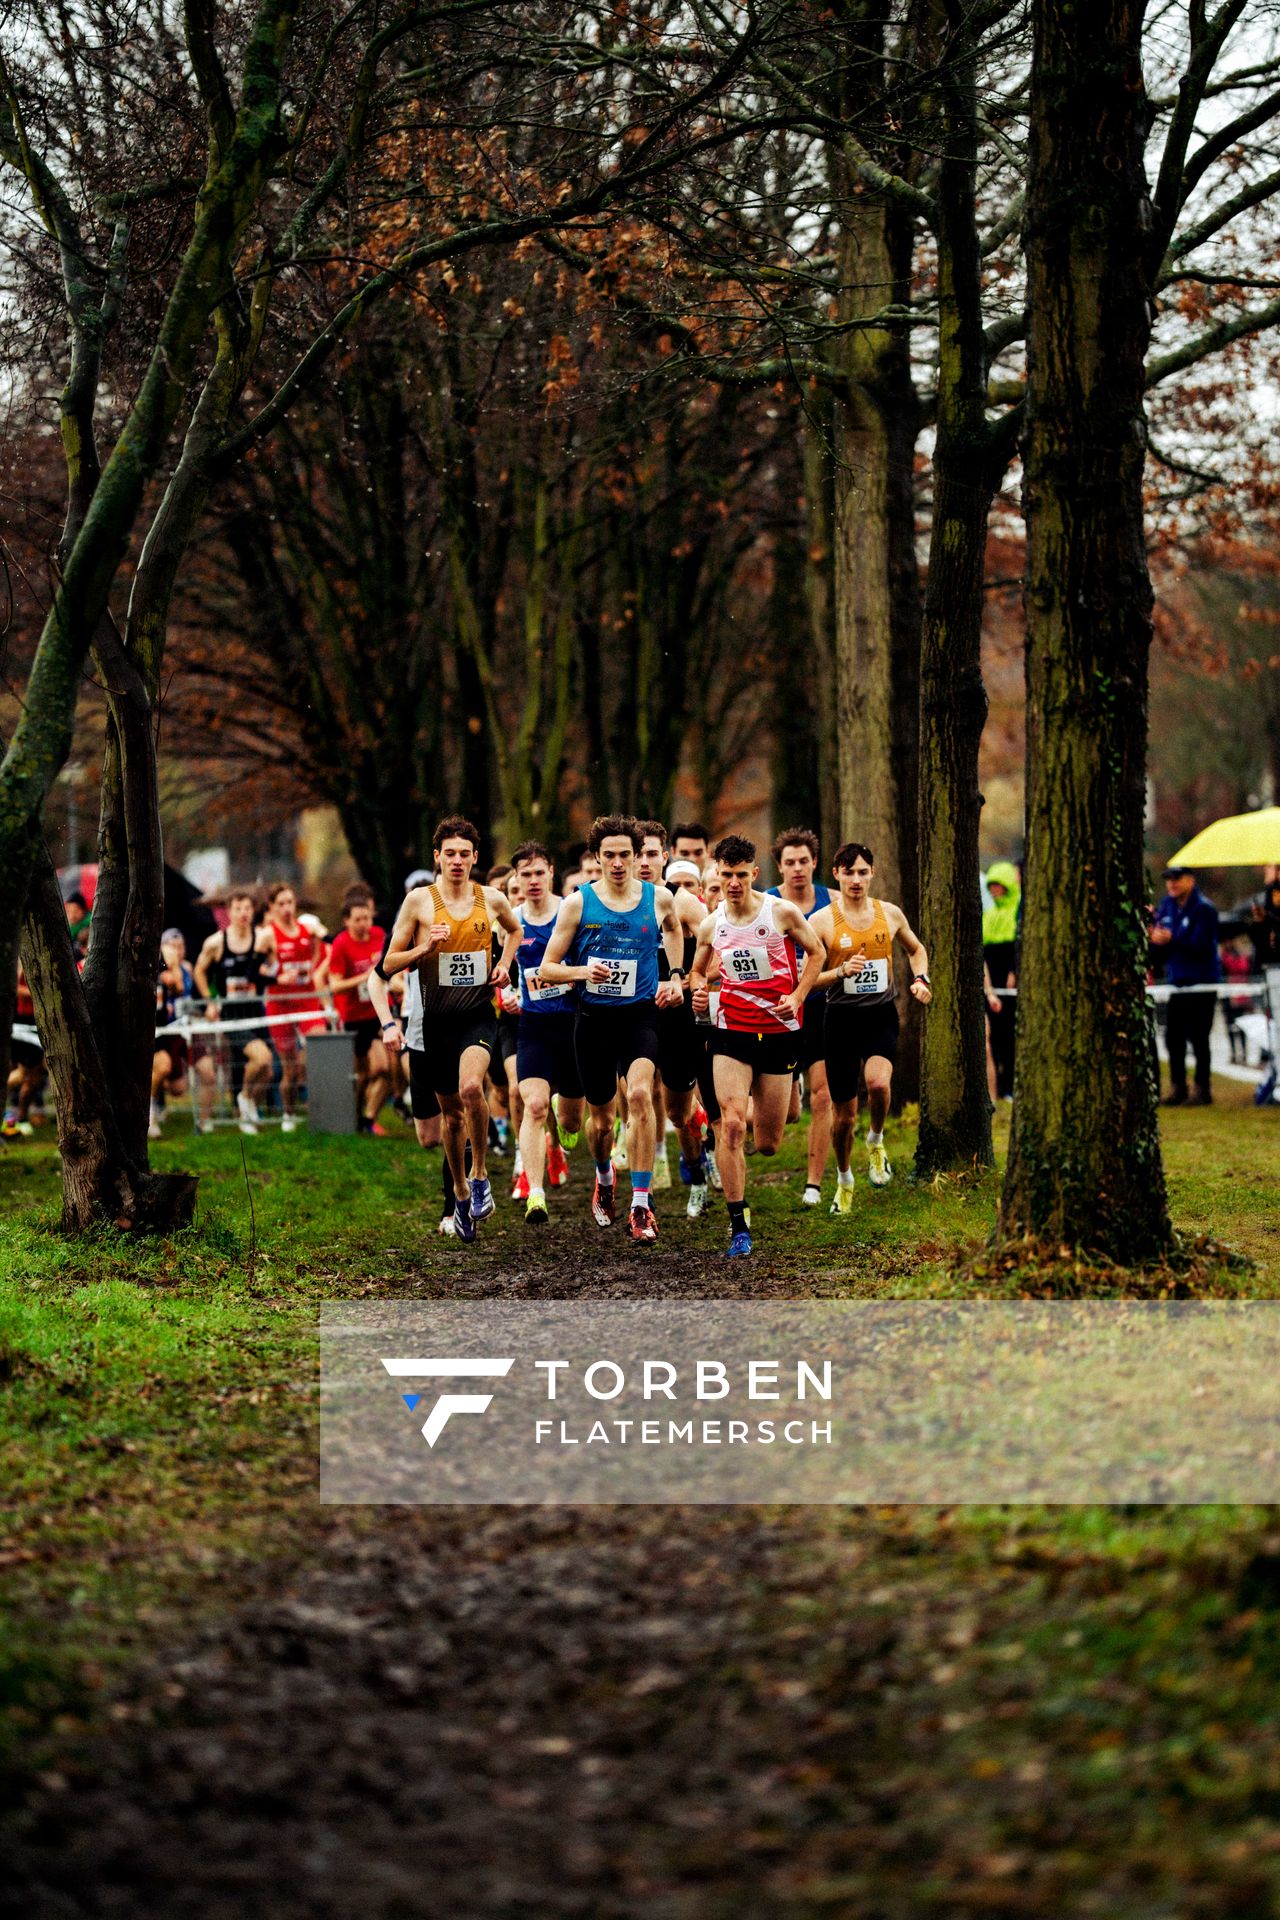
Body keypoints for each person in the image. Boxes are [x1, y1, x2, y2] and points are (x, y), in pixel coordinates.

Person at [538, 814, 687, 1244]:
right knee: (601, 1123)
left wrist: (675, 975)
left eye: (625, 854)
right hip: (593, 1020)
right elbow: (547, 968)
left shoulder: (659, 898)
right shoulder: (578, 903)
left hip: (640, 1015)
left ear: (637, 856)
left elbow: (674, 929)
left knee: (640, 1095)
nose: (618, 863)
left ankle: (641, 1205)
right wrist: (583, 972)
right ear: (597, 857)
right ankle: (604, 1177)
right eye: (610, 855)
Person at [377, 817, 520, 1242]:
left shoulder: (492, 899)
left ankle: (479, 1176)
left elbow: (515, 931)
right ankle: (458, 1191)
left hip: (477, 1015)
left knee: (472, 1088)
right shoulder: (419, 903)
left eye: (464, 854)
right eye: (450, 854)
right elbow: (388, 963)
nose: (457, 861)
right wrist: (425, 947)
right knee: (452, 1117)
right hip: (435, 1024)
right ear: (437, 857)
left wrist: (503, 965)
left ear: (475, 858)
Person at [689, 836, 823, 1257]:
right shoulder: (711, 924)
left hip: (780, 1031)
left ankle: (779, 1093)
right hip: (731, 1030)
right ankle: (738, 1225)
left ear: (754, 873)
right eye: (726, 875)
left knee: (767, 1143)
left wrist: (797, 997)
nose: (733, 883)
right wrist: (698, 991)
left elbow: (817, 953)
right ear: (716, 873)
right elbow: (697, 972)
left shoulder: (780, 912)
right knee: (730, 1125)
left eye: (741, 875)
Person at [810, 842, 932, 1206]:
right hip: (840, 1020)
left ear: (873, 874)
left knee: (878, 1084)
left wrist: (921, 979)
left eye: (863, 872)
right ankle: (844, 1179)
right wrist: (839, 972)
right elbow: (807, 981)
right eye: (849, 872)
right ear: (836, 874)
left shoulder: (889, 914)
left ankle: (876, 1141)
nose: (856, 880)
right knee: (844, 1117)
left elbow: (916, 949)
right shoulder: (821, 922)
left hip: (880, 1015)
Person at [510, 840, 584, 1221]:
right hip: (534, 1025)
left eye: (540, 872)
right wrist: (506, 990)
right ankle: (535, 1193)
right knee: (534, 1105)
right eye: (526, 874)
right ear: (517, 878)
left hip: (572, 1024)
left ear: (552, 873)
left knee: (571, 1122)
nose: (534, 880)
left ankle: (564, 1119)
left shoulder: (571, 911)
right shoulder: (510, 922)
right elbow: (502, 968)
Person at [636, 821, 705, 1195]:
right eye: (638, 854)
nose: (644, 862)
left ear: (665, 856)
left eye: (652, 854)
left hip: (678, 1014)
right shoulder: (616, 903)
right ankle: (641, 1193)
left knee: (678, 1111)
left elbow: (717, 945)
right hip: (635, 1013)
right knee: (639, 1094)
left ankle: (695, 1163)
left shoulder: (684, 902)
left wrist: (688, 980)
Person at [768, 827, 833, 1206]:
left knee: (823, 1097)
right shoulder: (767, 903)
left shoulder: (831, 901)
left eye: (803, 861)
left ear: (814, 863)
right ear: (779, 866)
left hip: (821, 1006)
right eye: (789, 862)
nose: (797, 868)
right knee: (790, 1114)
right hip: (779, 1011)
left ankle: (813, 1184)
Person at [194, 891, 275, 1134]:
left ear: (253, 911)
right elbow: (199, 971)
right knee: (260, 1058)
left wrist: (269, 966)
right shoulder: (216, 942)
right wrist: (210, 1001)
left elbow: (274, 965)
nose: (243, 913)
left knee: (268, 1071)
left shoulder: (261, 937)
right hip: (232, 1014)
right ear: (229, 912)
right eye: (238, 908)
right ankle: (244, 1101)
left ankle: (247, 1103)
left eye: (247, 908)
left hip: (256, 1010)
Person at [315, 883, 390, 1135]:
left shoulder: (380, 936)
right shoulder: (341, 944)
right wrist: (364, 978)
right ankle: (356, 1118)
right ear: (346, 921)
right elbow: (335, 985)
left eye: (367, 918)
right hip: (353, 1017)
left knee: (384, 1068)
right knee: (361, 1074)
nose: (363, 924)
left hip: (378, 1012)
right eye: (358, 919)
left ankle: (369, 1118)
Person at [1151, 864, 1220, 1106]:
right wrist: (1154, 937)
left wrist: (1172, 939)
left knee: (1199, 1037)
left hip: (1202, 982)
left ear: (1190, 880)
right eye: (1169, 879)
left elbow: (1200, 945)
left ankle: (1202, 1088)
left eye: (1177, 878)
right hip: (1177, 982)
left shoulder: (1204, 909)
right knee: (1173, 1037)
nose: (1172, 883)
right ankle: (1178, 1086)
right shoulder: (1167, 906)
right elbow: (1160, 944)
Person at [261, 883, 327, 1132]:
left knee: (317, 1047)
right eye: (281, 904)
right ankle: (288, 1112)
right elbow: (254, 971)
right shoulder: (268, 935)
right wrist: (277, 978)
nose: (287, 908)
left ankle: (321, 1108)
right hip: (280, 1005)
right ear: (272, 907)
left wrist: (314, 966)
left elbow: (325, 948)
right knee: (291, 1068)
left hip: (307, 999)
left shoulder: (306, 928)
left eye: (290, 902)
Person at [151, 929, 216, 1137]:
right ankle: (153, 1106)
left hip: (187, 1028)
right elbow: (174, 987)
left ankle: (204, 1122)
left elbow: (190, 995)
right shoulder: (158, 966)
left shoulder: (188, 968)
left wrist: (207, 1008)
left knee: (206, 1072)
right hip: (167, 1030)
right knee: (173, 1083)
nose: (178, 951)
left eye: (181, 947)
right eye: (173, 947)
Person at [982, 860, 1021, 1100]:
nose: (995, 890)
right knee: (994, 1037)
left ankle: (1010, 1086)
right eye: (992, 886)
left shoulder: (1018, 913)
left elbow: (1017, 948)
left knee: (1011, 1037)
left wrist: (1014, 972)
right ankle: (997, 1087)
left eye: (999, 886)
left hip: (1011, 987)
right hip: (992, 987)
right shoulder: (989, 916)